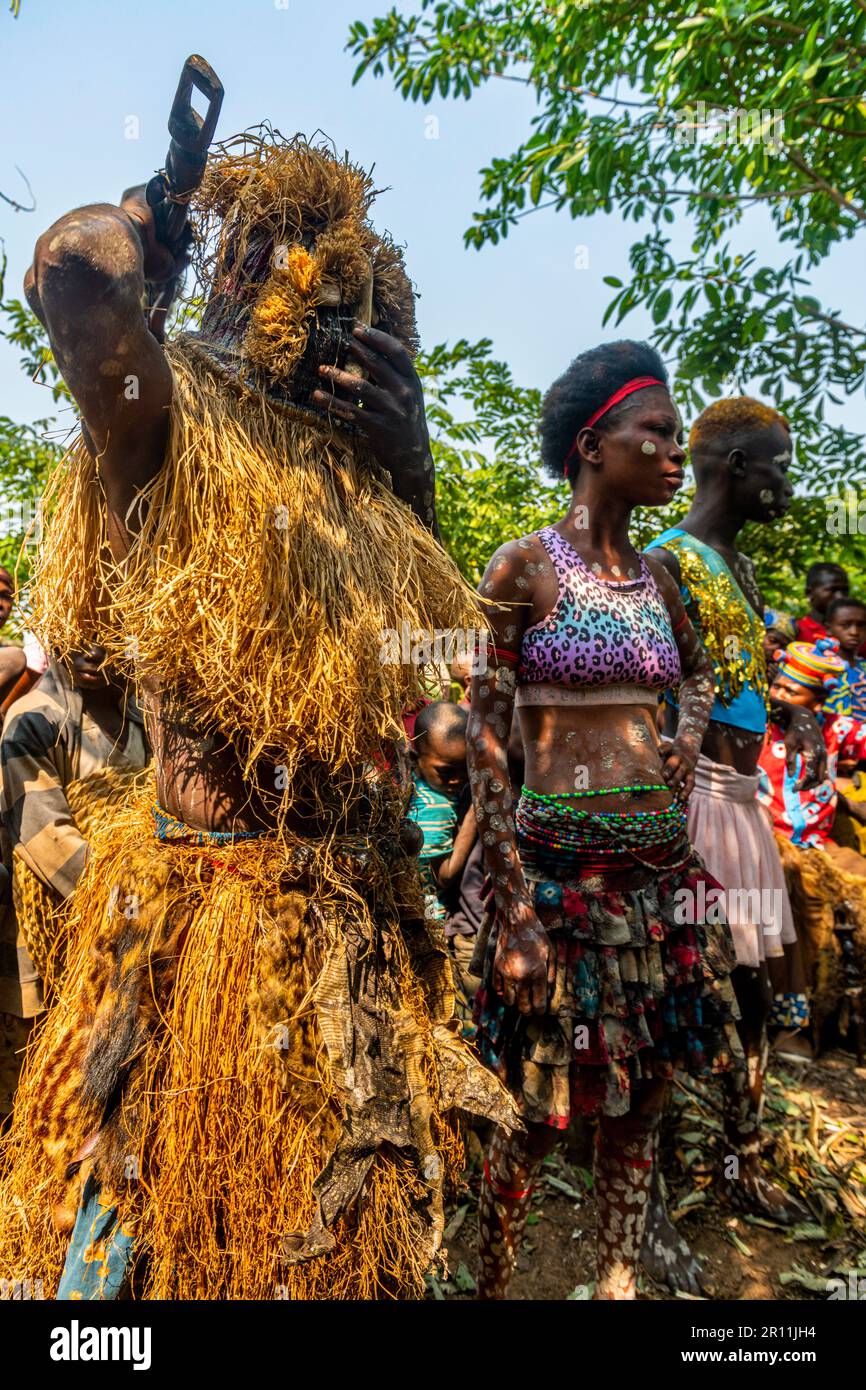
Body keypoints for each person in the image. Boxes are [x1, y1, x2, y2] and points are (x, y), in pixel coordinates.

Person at [0, 127, 513, 1300]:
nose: (324, 306)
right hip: (200, 935)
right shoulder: (163, 442)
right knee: (154, 1248)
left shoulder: (370, 512)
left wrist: (414, 469)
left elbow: (438, 663)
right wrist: (163, 210)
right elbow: (74, 271)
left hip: (355, 934)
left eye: (354, 299)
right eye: (279, 271)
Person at [468, 339, 744, 1301]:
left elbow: (700, 674)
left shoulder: (663, 579)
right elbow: (485, 739)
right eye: (657, 434)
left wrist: (686, 738)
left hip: (658, 896)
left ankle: (618, 1285)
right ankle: (495, 1281)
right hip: (560, 896)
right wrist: (511, 912)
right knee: (535, 1121)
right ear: (594, 444)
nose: (676, 455)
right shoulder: (520, 570)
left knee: (641, 1113)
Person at [645, 398, 819, 1281]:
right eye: (778, 464)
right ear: (737, 465)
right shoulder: (665, 563)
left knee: (750, 989)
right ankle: (650, 1201)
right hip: (695, 808)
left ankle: (739, 1156)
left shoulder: (742, 574)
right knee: (685, 992)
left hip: (746, 804)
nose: (786, 481)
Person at [0, 647, 149, 1124]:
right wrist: (136, 902)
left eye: (103, 632)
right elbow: (47, 839)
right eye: (77, 632)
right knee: (36, 1099)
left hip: (126, 951)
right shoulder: (33, 720)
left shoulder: (148, 720)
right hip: (51, 949)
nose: (92, 649)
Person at [759, 638, 866, 875]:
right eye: (776, 686)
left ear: (818, 704)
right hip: (766, 841)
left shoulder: (836, 729)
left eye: (790, 692)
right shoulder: (758, 726)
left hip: (818, 845)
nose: (778, 696)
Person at [406, 700, 476, 922]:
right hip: (430, 916)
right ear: (415, 760)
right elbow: (443, 876)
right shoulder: (435, 807)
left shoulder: (418, 787)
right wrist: (473, 816)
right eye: (446, 772)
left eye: (465, 768)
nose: (458, 780)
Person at [823, 598, 866, 722]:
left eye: (861, 625)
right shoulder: (817, 665)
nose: (854, 632)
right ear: (828, 628)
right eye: (845, 625)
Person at [796, 563, 851, 645]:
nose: (840, 596)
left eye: (845, 590)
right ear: (809, 593)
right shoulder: (796, 630)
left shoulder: (858, 631)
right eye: (832, 590)